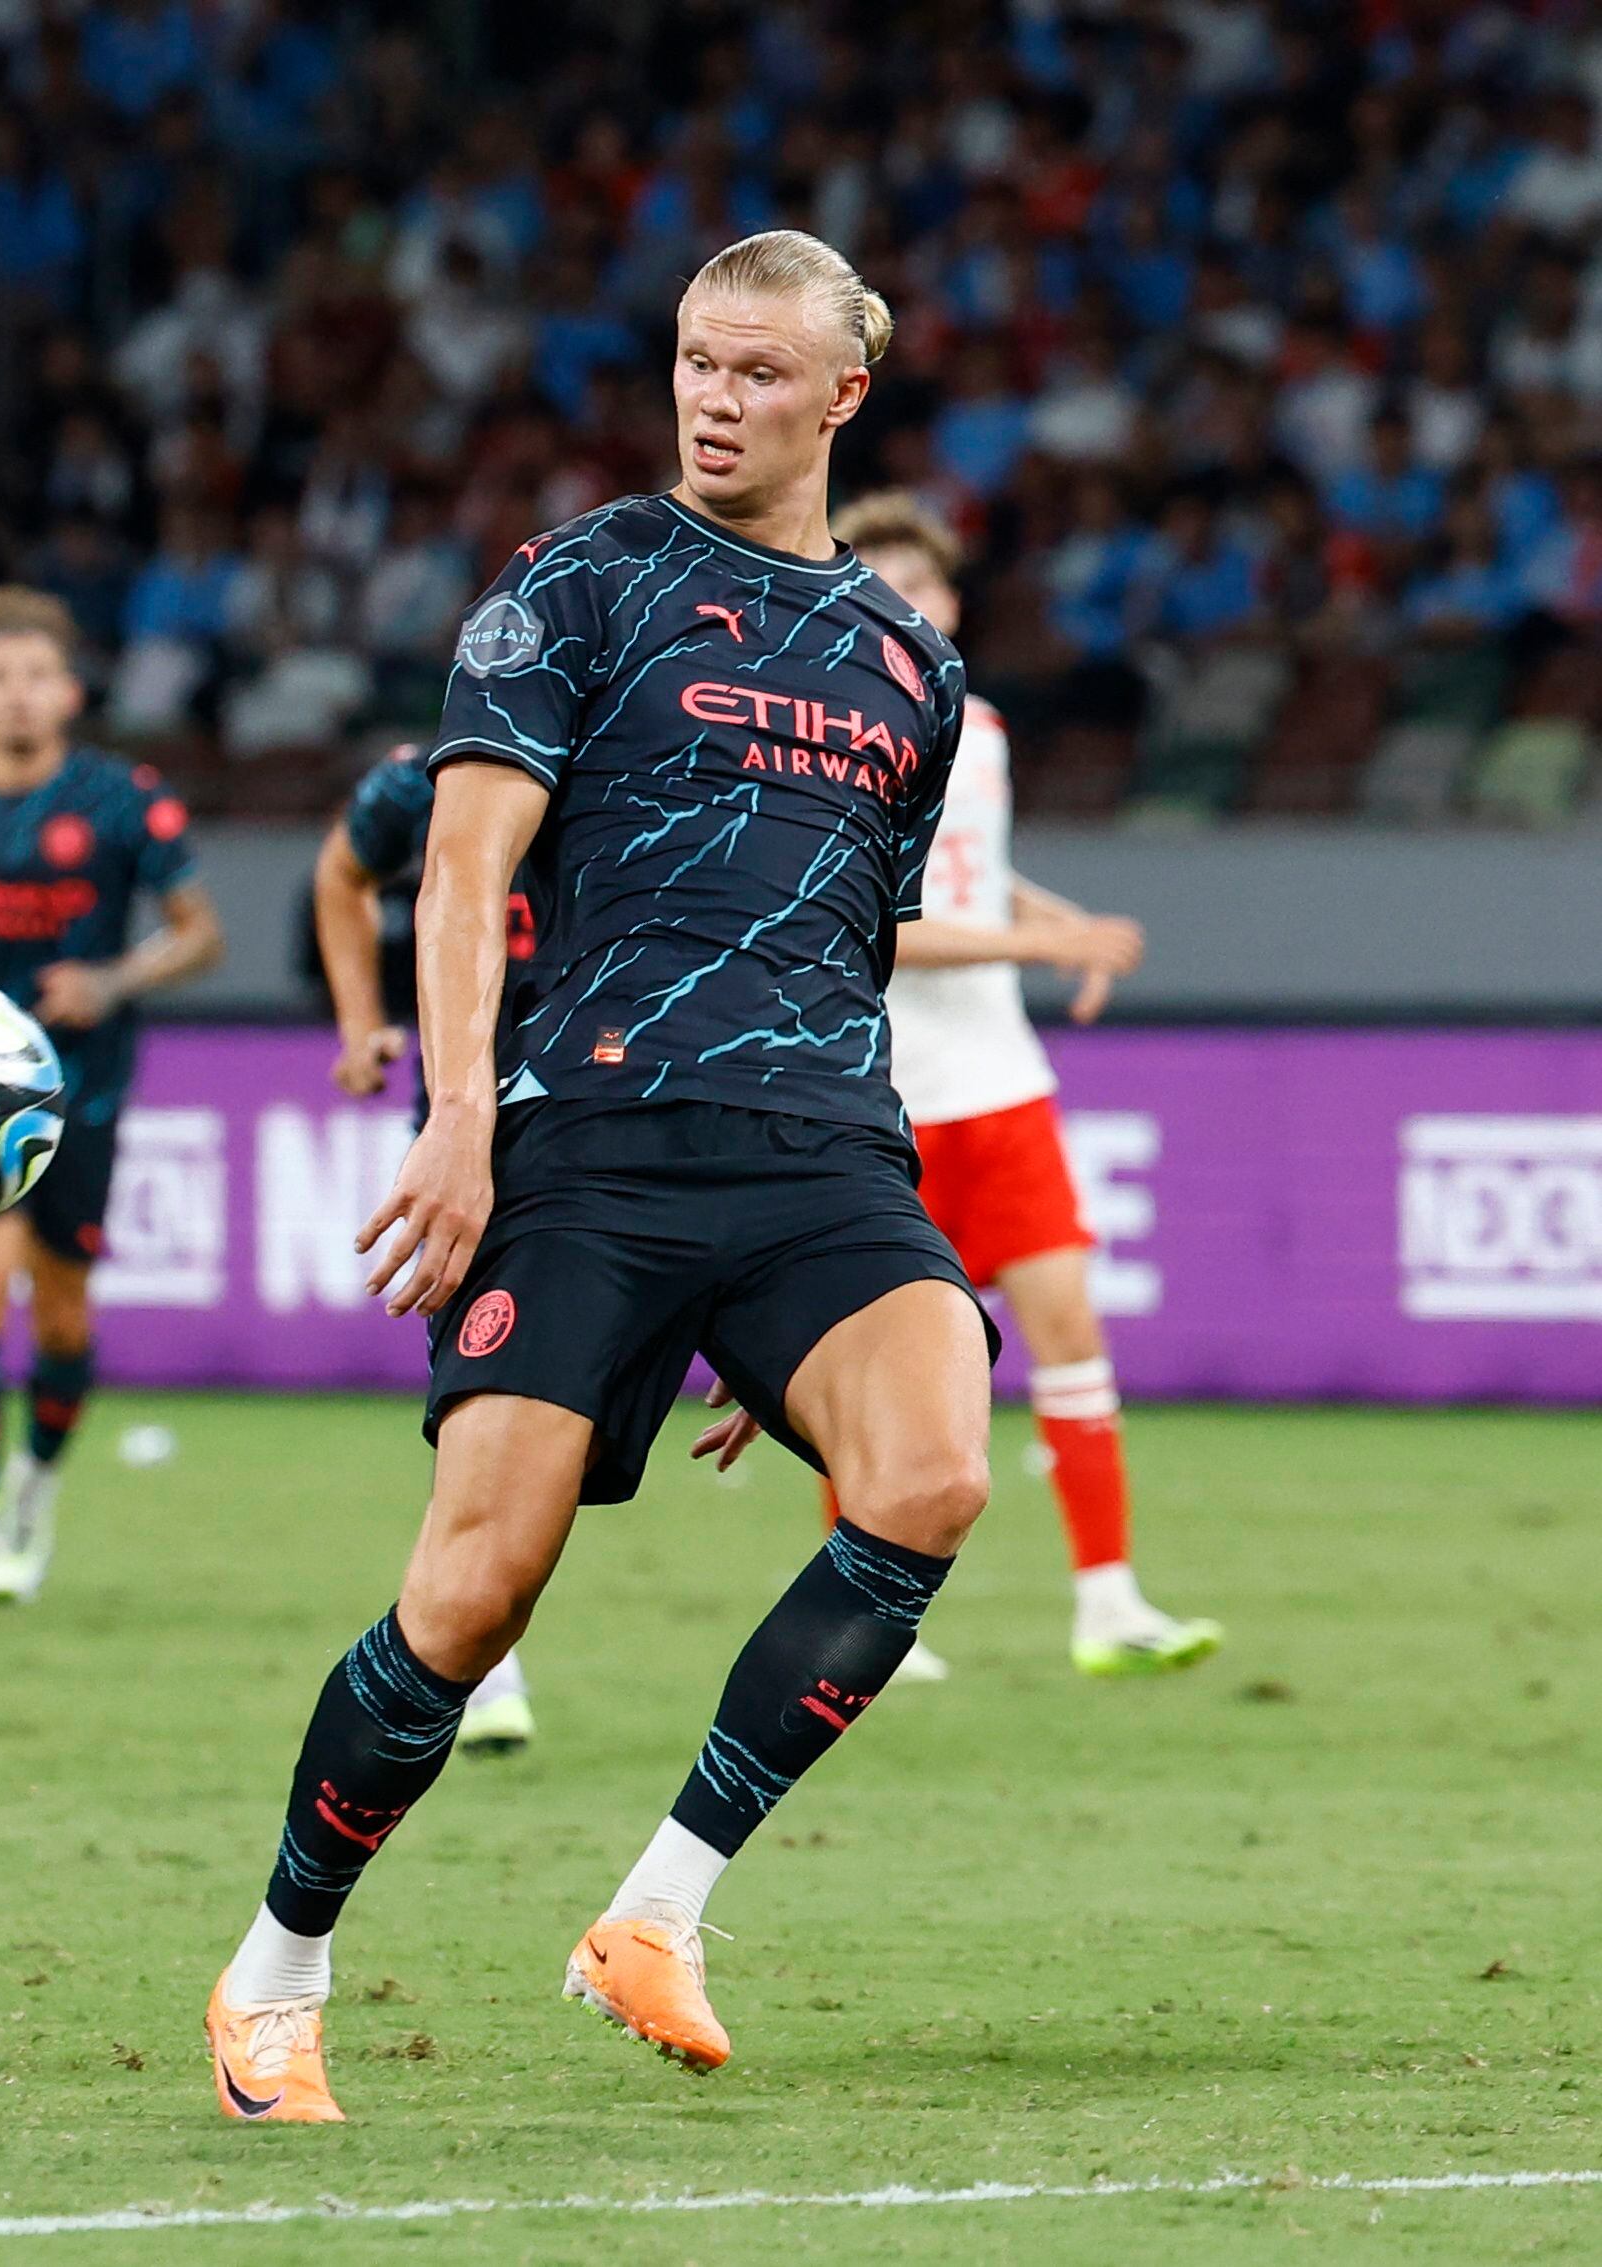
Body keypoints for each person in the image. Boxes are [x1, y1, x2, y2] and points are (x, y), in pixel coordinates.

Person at [202, 232, 991, 2119]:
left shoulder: (915, 666)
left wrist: (793, 1310)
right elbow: (463, 871)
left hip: (821, 1153)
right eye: (697, 362)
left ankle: (657, 1908)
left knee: (933, 1470)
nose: (716, 398)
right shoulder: (579, 580)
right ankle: (276, 1971)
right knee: (474, 1597)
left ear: (842, 395)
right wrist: (458, 1114)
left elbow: (854, 942)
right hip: (595, 1139)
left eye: (758, 371)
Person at [829, 491, 1223, 1682]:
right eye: (879, 583)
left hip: (999, 1086)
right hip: (879, 1099)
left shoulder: (980, 728)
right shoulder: (829, 738)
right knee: (874, 1368)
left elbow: (970, 876)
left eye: (921, 584)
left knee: (1068, 1331)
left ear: (951, 604)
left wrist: (1063, 922)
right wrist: (1040, 945)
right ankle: (865, 1624)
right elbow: (878, 927)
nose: (905, 603)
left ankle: (1107, 1601)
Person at [0, 587, 224, 1604]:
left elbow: (200, 934)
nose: (18, 695)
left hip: (80, 1092)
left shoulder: (121, 798)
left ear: (69, 692)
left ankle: (31, 1487)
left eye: (37, 677)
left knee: (58, 1319)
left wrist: (110, 980)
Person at [308, 745, 539, 1752]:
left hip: (621, 1113)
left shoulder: (646, 746)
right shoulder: (425, 775)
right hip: (466, 1136)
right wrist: (360, 1022)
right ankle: (483, 1658)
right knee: (483, 1389)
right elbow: (340, 872)